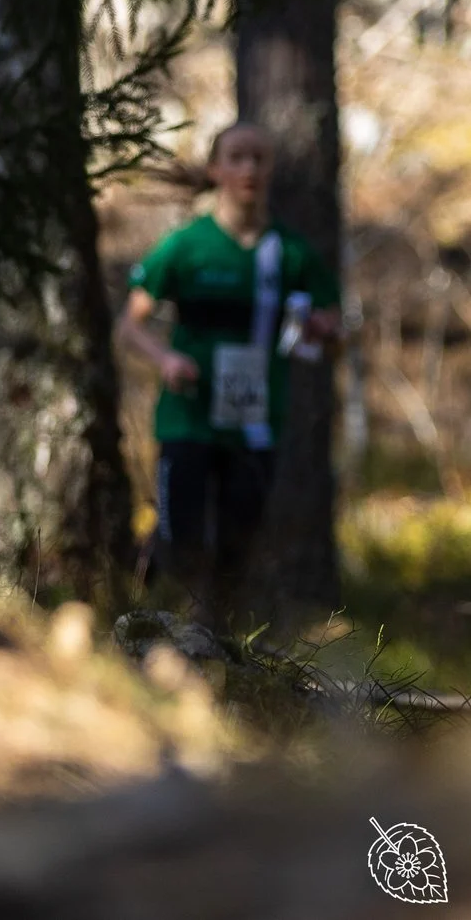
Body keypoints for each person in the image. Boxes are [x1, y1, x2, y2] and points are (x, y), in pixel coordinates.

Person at [116, 123, 342, 601]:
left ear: (272, 169)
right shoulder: (185, 245)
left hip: (255, 421)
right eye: (237, 157)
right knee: (181, 538)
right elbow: (130, 326)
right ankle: (145, 620)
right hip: (189, 417)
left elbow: (332, 336)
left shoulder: (293, 253)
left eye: (260, 158)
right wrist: (167, 359)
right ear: (215, 169)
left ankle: (215, 645)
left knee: (239, 547)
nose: (250, 169)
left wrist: (322, 334)